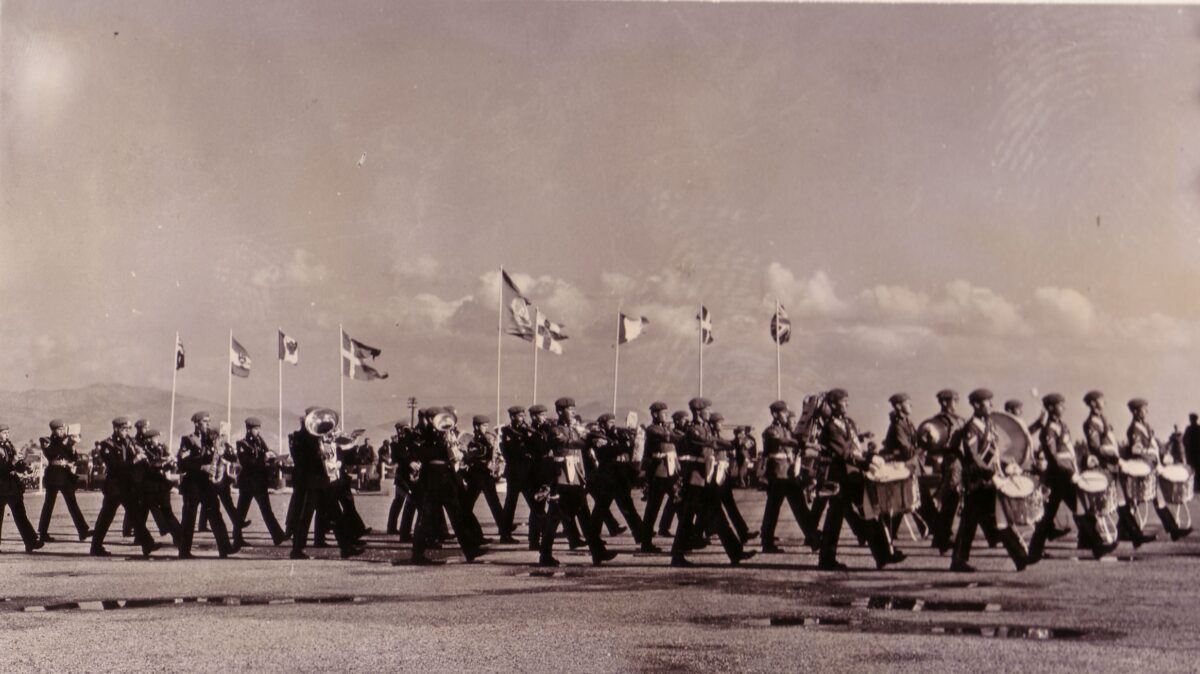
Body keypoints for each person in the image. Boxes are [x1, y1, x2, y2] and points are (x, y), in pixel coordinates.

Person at [1026, 394, 1115, 562]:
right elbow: (1053, 457)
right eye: (1060, 405)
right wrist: (1069, 472)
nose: (1064, 407)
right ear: (1051, 408)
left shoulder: (1062, 426)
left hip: (1064, 476)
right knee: (1077, 511)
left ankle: (1034, 551)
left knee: (1057, 514)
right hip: (1059, 477)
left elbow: (1068, 453)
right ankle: (1097, 546)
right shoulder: (1049, 430)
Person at [949, 389, 1029, 573]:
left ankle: (1019, 557)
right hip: (978, 481)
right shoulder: (971, 428)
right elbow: (974, 457)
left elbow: (995, 453)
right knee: (981, 520)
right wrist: (990, 474)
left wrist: (1007, 466)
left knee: (985, 519)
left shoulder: (989, 424)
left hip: (988, 480)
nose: (991, 405)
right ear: (976, 405)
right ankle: (1019, 556)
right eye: (987, 401)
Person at [816, 389, 897, 571]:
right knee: (835, 519)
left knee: (867, 512)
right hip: (840, 479)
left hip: (853, 476)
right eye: (843, 401)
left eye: (847, 400)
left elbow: (855, 447)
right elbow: (844, 452)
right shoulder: (830, 428)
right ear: (833, 404)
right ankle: (827, 560)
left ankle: (883, 555)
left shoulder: (848, 423)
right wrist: (865, 463)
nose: (847, 403)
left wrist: (867, 457)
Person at [670, 398, 754, 568]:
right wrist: (734, 443)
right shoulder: (693, 430)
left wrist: (733, 443)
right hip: (695, 480)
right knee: (687, 519)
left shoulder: (705, 427)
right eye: (706, 410)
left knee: (717, 516)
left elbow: (714, 441)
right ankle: (677, 556)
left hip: (704, 479)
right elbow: (712, 443)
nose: (709, 412)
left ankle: (735, 553)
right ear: (697, 411)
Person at [397, 407, 484, 565]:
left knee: (457, 515)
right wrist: (412, 461)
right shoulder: (421, 434)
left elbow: (451, 455)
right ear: (429, 419)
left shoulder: (445, 433)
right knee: (426, 517)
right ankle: (417, 554)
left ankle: (470, 551)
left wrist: (455, 447)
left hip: (447, 478)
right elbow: (414, 451)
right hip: (431, 479)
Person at [537, 398, 616, 567]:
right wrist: (589, 442)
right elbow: (568, 443)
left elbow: (583, 441)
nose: (573, 411)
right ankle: (545, 555)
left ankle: (598, 553)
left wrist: (596, 440)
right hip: (561, 478)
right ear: (560, 411)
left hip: (575, 478)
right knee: (554, 519)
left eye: (574, 408)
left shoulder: (574, 429)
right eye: (569, 409)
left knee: (584, 516)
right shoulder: (555, 430)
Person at [1082, 391, 1155, 548]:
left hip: (1112, 466)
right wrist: (1115, 459)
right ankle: (1134, 536)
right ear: (1093, 403)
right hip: (1104, 466)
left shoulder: (1102, 420)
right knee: (1102, 504)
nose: (1104, 402)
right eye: (1101, 400)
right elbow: (1096, 447)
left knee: (1119, 502)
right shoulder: (1091, 423)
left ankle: (1135, 535)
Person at [1126, 398, 1192, 541]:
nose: (1146, 411)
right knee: (1135, 500)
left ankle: (1173, 530)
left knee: (1156, 500)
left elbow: (1155, 445)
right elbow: (1136, 450)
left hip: (1152, 466)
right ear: (1135, 412)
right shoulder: (1134, 429)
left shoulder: (1146, 426)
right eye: (1143, 409)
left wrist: (1165, 452)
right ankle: (1127, 529)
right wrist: (1153, 461)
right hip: (1144, 468)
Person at [91, 418, 157, 557]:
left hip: (127, 485)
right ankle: (95, 547)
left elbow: (136, 460)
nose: (126, 432)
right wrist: (134, 460)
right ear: (116, 429)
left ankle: (147, 544)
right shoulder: (107, 444)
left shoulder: (129, 442)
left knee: (135, 514)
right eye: (123, 429)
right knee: (106, 517)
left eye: (128, 429)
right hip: (114, 486)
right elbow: (114, 466)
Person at [759, 401, 819, 554]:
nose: (786, 415)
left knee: (800, 507)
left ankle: (813, 538)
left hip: (788, 474)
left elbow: (797, 439)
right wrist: (802, 443)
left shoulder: (786, 430)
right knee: (773, 509)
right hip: (777, 474)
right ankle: (767, 542)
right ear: (775, 414)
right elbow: (781, 441)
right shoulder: (771, 431)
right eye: (783, 412)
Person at [176, 412, 237, 559]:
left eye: (209, 421)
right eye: (204, 421)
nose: (208, 424)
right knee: (189, 517)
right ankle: (184, 551)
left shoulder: (214, 438)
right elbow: (182, 464)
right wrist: (200, 467)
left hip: (207, 484)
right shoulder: (188, 440)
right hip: (193, 484)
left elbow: (233, 457)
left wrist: (223, 452)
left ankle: (225, 548)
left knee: (215, 514)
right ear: (197, 423)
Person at [587, 413, 651, 551]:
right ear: (602, 424)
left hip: (619, 476)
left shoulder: (615, 435)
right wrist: (625, 444)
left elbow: (626, 445)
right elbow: (608, 450)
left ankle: (641, 535)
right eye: (610, 422)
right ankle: (592, 537)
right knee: (601, 508)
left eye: (613, 422)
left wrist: (628, 439)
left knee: (628, 507)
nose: (613, 425)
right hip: (607, 476)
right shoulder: (596, 436)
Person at [36, 419, 91, 543]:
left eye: (63, 429)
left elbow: (73, 457)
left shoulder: (65, 442)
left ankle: (83, 530)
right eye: (59, 429)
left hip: (65, 476)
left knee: (72, 503)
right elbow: (51, 453)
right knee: (49, 505)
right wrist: (65, 443)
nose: (62, 431)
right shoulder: (46, 440)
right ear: (53, 430)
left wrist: (72, 446)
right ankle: (43, 533)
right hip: (53, 476)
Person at [233, 417, 286, 547]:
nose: (258, 431)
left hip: (259, 481)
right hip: (248, 482)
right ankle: (237, 538)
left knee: (266, 510)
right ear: (249, 429)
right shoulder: (242, 444)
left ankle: (278, 536)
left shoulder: (260, 441)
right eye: (256, 429)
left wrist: (274, 458)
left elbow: (266, 454)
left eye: (258, 428)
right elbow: (246, 462)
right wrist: (263, 458)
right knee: (241, 511)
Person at [709, 412, 756, 547]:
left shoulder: (719, 436)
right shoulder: (710, 436)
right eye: (719, 422)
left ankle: (743, 532)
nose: (721, 425)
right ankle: (704, 533)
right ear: (712, 424)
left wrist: (739, 443)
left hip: (722, 474)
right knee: (712, 507)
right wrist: (736, 442)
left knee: (730, 505)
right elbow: (719, 444)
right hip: (713, 475)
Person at [500, 406, 545, 549]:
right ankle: (505, 534)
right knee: (510, 504)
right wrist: (525, 451)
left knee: (534, 503)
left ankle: (540, 533)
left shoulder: (527, 430)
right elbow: (510, 451)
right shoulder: (507, 432)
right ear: (512, 417)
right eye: (519, 416)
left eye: (523, 416)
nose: (522, 418)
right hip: (515, 473)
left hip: (527, 473)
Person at [462, 415, 511, 541]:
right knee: (467, 505)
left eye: (486, 425)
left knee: (495, 504)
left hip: (487, 476)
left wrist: (495, 463)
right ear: (476, 426)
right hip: (476, 476)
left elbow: (495, 454)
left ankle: (505, 533)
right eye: (483, 426)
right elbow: (470, 458)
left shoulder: (489, 438)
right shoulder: (472, 440)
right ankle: (472, 534)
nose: (486, 428)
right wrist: (485, 463)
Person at [640, 402, 679, 551]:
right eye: (663, 412)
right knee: (653, 508)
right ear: (655, 414)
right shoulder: (653, 429)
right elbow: (669, 438)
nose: (666, 415)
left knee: (679, 503)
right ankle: (646, 543)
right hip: (658, 472)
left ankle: (685, 539)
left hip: (670, 471)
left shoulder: (665, 428)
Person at [0, 423, 44, 553]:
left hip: (12, 487)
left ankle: (31, 542)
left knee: (21, 515)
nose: (7, 435)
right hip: (1, 487)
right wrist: (13, 462)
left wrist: (24, 467)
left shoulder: (9, 447)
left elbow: (15, 465)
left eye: (8, 432)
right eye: (4, 433)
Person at [138, 428, 181, 544]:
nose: (158, 440)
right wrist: (164, 463)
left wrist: (171, 463)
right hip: (150, 485)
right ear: (148, 439)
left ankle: (178, 536)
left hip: (161, 484)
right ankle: (142, 537)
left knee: (167, 511)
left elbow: (165, 466)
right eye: (155, 438)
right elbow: (149, 467)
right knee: (145, 512)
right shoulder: (143, 451)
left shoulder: (161, 448)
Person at [1184, 413, 1200, 489]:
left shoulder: (1189, 429)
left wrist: (1187, 447)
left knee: (1193, 468)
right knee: (1196, 468)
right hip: (1196, 452)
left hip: (1192, 452)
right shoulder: (1197, 428)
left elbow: (1184, 440)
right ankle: (1196, 485)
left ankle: (1194, 485)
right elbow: (1184, 440)